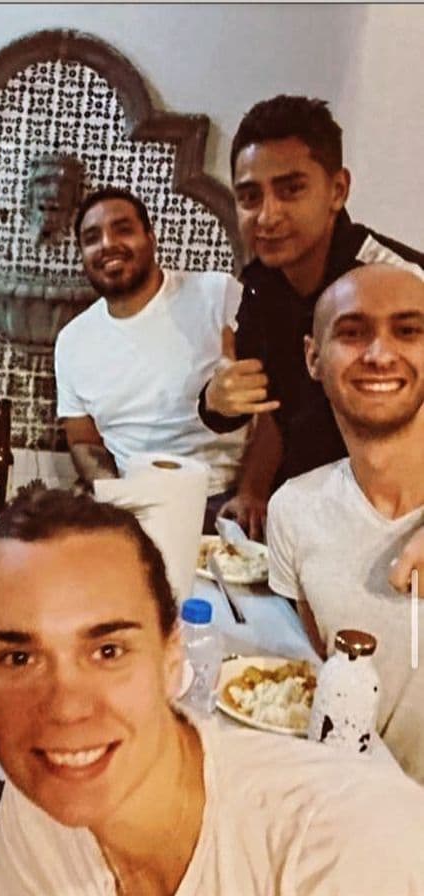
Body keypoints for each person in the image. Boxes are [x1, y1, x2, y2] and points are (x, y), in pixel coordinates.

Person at [0, 488, 424, 896]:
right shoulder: (35, 818)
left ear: (172, 657)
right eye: (18, 658)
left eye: (108, 651)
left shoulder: (355, 850)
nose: (65, 708)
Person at [198, 95, 424, 546]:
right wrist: (251, 488)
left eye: (291, 189)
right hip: (303, 502)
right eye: (249, 196)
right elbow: (274, 410)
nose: (267, 215)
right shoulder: (262, 286)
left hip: (396, 517)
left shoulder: (402, 281)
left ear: (337, 191)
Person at [267, 264, 424, 784]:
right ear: (314, 357)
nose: (379, 355)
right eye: (353, 333)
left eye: (409, 331)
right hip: (360, 814)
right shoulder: (294, 509)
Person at [55, 187, 247, 528]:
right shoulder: (72, 341)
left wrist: (253, 492)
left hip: (223, 501)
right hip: (132, 505)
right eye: (91, 237)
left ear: (151, 237)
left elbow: (273, 409)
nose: (108, 244)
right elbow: (84, 441)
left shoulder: (218, 294)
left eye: (123, 229)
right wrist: (114, 499)